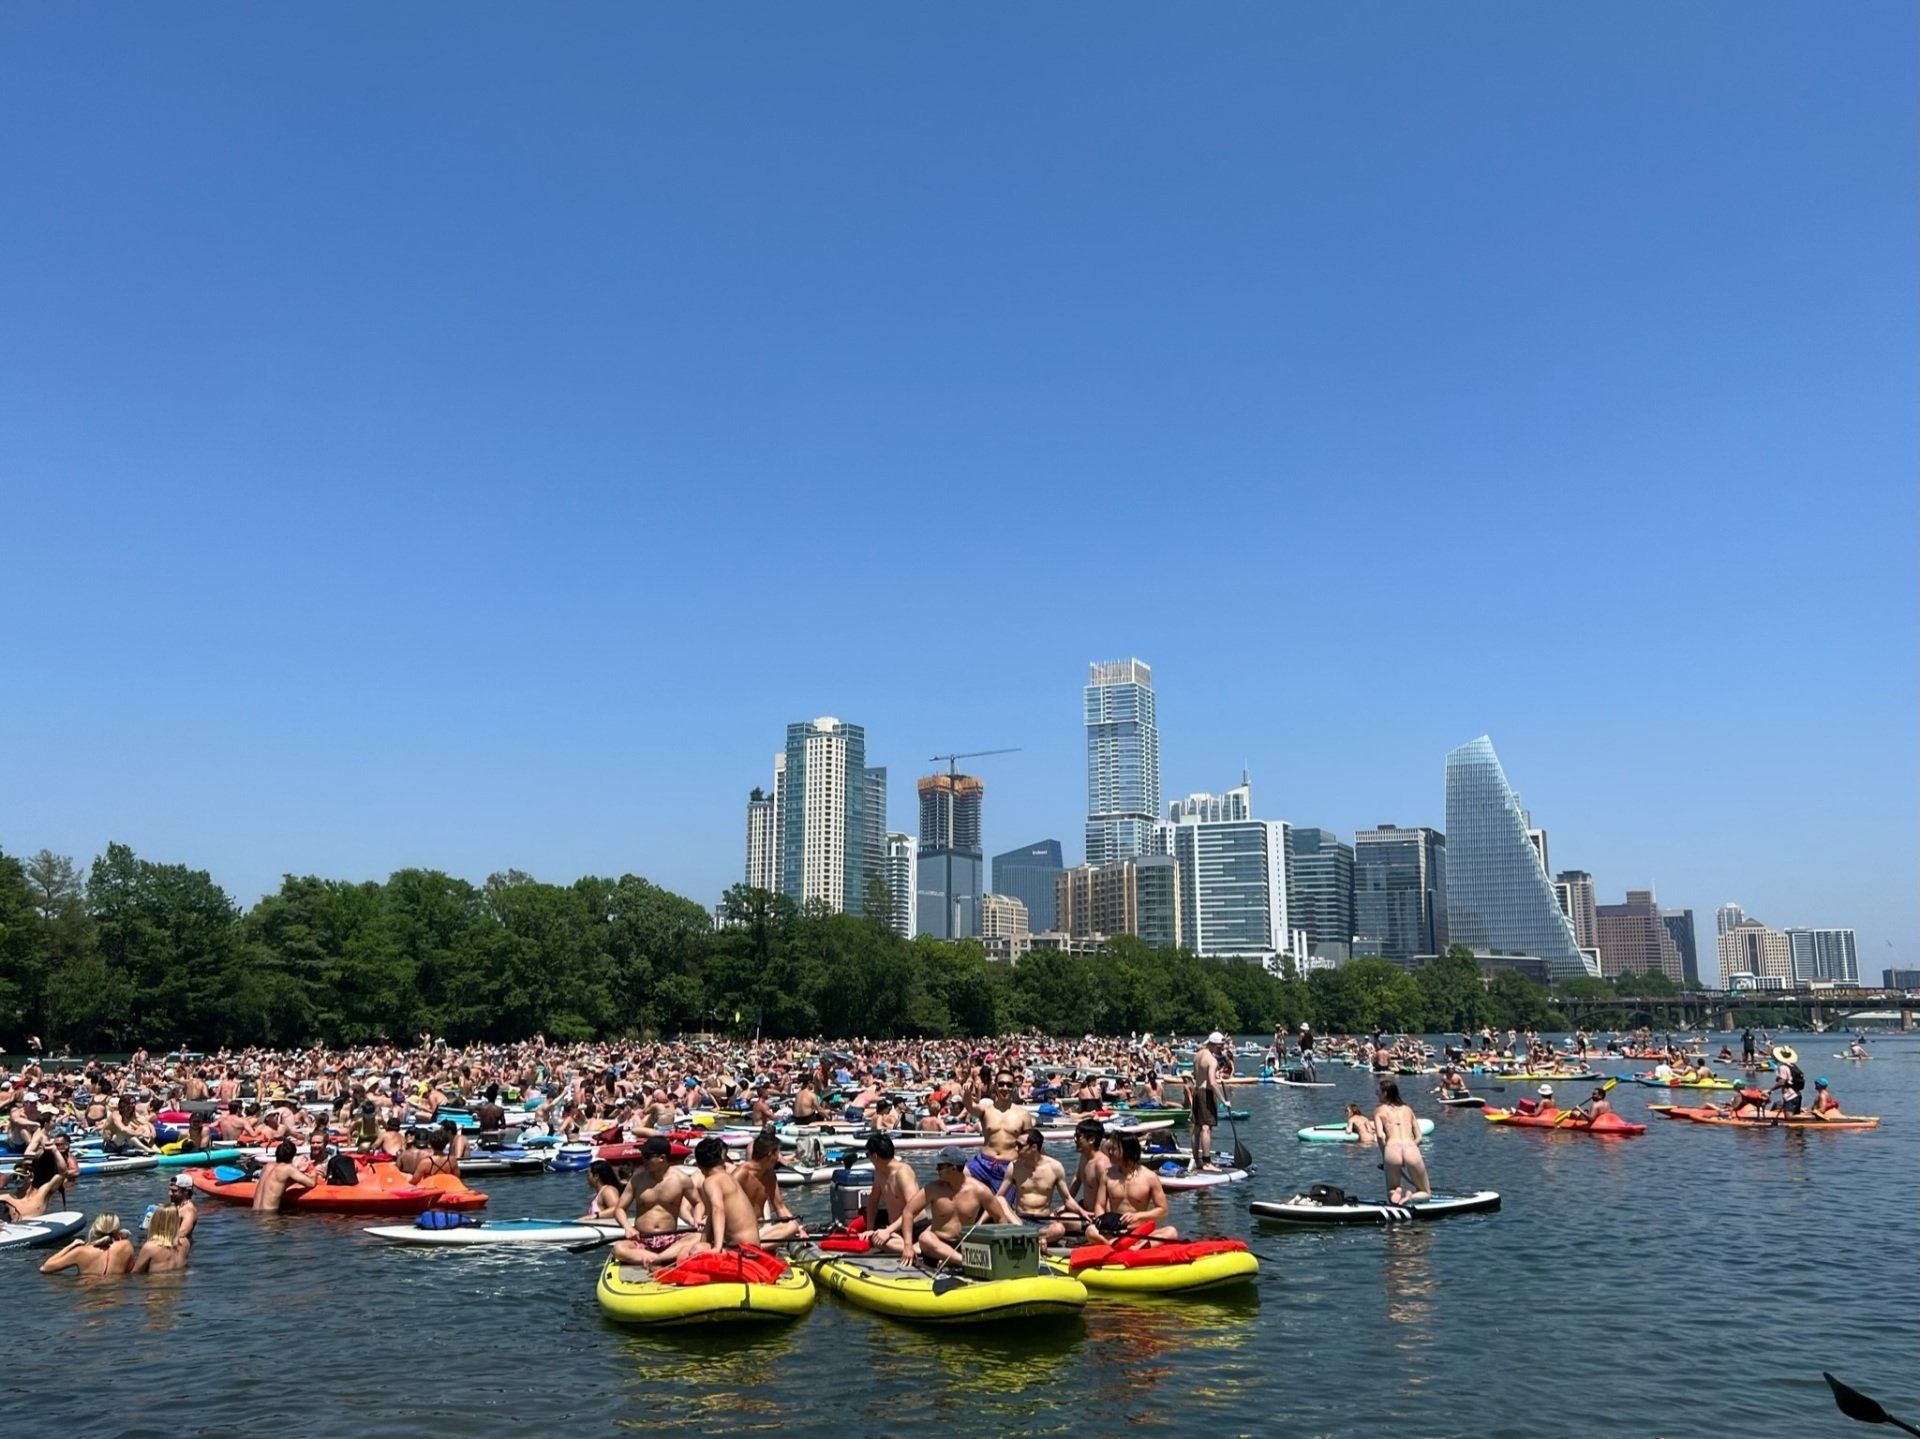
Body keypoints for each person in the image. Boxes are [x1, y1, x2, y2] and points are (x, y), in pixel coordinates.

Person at [909, 1145, 1019, 1266]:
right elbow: (908, 1212)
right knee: (925, 1237)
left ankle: (954, 1260)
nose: (936, 1169)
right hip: (937, 1245)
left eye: (940, 1166)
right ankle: (964, 1262)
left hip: (964, 1244)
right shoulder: (932, 1189)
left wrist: (1002, 1247)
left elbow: (1000, 1217)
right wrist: (907, 1246)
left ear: (953, 1168)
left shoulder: (979, 1190)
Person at [609, 1136, 703, 1268]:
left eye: (647, 1156)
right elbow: (619, 1209)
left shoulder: (681, 1179)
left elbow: (698, 1202)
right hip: (641, 1240)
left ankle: (656, 1259)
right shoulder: (637, 1179)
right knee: (618, 1248)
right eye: (643, 1155)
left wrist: (697, 1220)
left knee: (698, 1237)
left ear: (662, 1158)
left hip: (671, 1239)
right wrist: (628, 1228)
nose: (643, 1160)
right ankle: (663, 1259)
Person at [1001, 1131, 1087, 1248]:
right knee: (1000, 1200)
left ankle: (1030, 1238)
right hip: (1020, 1220)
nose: (1016, 1149)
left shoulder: (1055, 1167)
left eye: (1020, 1146)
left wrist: (1083, 1213)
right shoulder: (1014, 1166)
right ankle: (1036, 1238)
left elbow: (1067, 1199)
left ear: (1034, 1147)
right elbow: (999, 1196)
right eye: (1015, 1145)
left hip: (1043, 1221)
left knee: (1059, 1229)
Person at [962, 1071, 1033, 1199]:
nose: (1005, 1088)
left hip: (1008, 1167)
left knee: (1002, 1209)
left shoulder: (1023, 1115)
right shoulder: (986, 1110)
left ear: (1013, 1088)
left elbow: (1032, 1143)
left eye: (1009, 1085)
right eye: (1001, 1084)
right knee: (960, 1176)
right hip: (982, 1164)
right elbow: (970, 1107)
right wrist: (967, 1093)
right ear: (995, 1086)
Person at [1098, 1133, 1175, 1238]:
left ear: (1127, 1150)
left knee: (1171, 1232)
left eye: (1114, 1149)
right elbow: (1099, 1205)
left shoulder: (1150, 1177)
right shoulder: (1107, 1174)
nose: (1110, 1152)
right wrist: (1102, 1223)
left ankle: (1130, 1246)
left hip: (1138, 1230)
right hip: (1114, 1230)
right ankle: (1127, 1246)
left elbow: (1163, 1210)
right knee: (1090, 1231)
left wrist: (1137, 1216)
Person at [691, 1136, 760, 1254]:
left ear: (698, 1165)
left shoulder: (711, 1181)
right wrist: (703, 1241)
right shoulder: (729, 1177)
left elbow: (718, 1210)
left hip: (742, 1249)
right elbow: (710, 1217)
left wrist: (717, 1247)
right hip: (752, 1245)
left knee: (696, 1250)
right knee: (698, 1246)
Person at [858, 1133, 922, 1258]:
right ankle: (915, 1248)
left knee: (882, 1240)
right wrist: (870, 1229)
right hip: (896, 1229)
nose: (869, 1159)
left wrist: (888, 1231)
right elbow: (873, 1200)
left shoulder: (903, 1172)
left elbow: (914, 1209)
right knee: (876, 1239)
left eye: (868, 1155)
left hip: (914, 1227)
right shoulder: (879, 1172)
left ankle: (916, 1248)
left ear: (875, 1156)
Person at [737, 1131, 805, 1242]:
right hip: (740, 1231)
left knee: (792, 1226)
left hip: (760, 1229)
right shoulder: (740, 1175)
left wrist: (799, 1229)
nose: (779, 1158)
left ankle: (755, 1245)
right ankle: (751, 1246)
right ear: (770, 1155)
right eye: (777, 1154)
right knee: (792, 1228)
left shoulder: (769, 1175)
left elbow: (780, 1207)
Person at [1374, 1080, 1431, 1206]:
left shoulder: (1379, 1111)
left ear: (1385, 1093)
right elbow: (1419, 1137)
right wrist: (1410, 1149)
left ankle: (1399, 1192)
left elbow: (1379, 1135)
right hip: (1410, 1147)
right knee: (1426, 1193)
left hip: (1392, 1148)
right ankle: (1410, 1197)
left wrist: (1385, 1155)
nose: (1376, 1094)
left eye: (1377, 1092)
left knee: (1391, 1190)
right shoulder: (1408, 1109)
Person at [40, 1212, 134, 1276]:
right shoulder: (126, 1246)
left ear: (96, 1229)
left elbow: (45, 1268)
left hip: (89, 1300)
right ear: (116, 1230)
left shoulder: (80, 1251)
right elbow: (131, 1270)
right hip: (116, 1299)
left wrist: (70, 1246)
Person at [1190, 1033, 1228, 1171]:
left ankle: (1196, 1159)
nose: (1221, 1049)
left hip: (1196, 1092)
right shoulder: (1212, 1060)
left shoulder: (1197, 1055)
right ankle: (1207, 1162)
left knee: (1196, 1127)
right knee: (1206, 1128)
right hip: (1205, 1093)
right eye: (1219, 1046)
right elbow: (1212, 1082)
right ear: (1212, 1044)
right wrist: (1223, 1100)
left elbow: (1196, 1075)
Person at [252, 1138, 316, 1212]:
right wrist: (313, 1171)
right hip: (269, 1217)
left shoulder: (267, 1166)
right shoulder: (287, 1168)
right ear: (292, 1156)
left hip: (255, 1214)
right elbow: (311, 1183)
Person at [1, 1150, 68, 1221]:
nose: (17, 1180)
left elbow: (62, 1173)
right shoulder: (6, 1198)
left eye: (22, 1177)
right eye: (15, 1177)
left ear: (31, 1177)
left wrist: (54, 1150)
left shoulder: (42, 1193)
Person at [131, 1203, 191, 1274]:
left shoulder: (151, 1247)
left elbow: (135, 1272)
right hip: (178, 1282)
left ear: (155, 1221)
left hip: (157, 1283)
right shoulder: (185, 1243)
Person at [165, 1173, 199, 1240]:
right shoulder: (177, 1205)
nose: (169, 1193)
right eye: (169, 1189)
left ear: (186, 1192)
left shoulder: (188, 1210)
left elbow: (182, 1234)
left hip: (179, 1248)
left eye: (174, 1191)